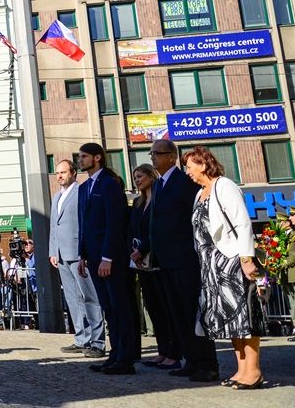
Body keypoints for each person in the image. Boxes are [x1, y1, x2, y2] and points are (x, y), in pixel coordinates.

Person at [182, 146, 264, 389]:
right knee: (229, 320)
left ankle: (254, 370)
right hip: (210, 266)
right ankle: (241, 370)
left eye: (190, 166)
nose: (187, 172)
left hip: (231, 260)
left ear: (203, 164)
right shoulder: (199, 194)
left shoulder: (224, 185)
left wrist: (247, 259)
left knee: (244, 316)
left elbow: (242, 221)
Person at [148, 139, 218, 381]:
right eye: (151, 153)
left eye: (158, 153)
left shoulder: (184, 181)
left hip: (186, 258)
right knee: (177, 313)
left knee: (193, 311)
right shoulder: (158, 185)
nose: (153, 157)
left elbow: (196, 218)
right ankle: (190, 359)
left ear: (171, 156)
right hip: (165, 260)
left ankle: (207, 363)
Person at [77, 142, 134, 375]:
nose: (80, 160)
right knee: (108, 308)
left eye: (84, 156)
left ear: (97, 158)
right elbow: (83, 225)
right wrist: (82, 255)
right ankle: (114, 354)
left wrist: (107, 257)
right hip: (91, 257)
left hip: (110, 258)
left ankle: (126, 358)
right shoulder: (83, 188)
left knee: (120, 307)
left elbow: (114, 223)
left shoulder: (109, 185)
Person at [48, 158, 105, 357]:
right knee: (73, 299)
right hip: (62, 255)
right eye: (57, 173)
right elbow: (54, 225)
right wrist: (52, 251)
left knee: (89, 298)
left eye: (62, 172)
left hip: (78, 253)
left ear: (73, 173)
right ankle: (81, 338)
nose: (59, 176)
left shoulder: (81, 192)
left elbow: (85, 224)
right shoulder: (56, 197)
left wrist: (85, 252)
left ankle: (97, 341)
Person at [129, 164, 178, 370]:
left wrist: (145, 249)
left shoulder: (159, 197)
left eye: (140, 176)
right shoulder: (138, 202)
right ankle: (162, 350)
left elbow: (158, 229)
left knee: (167, 307)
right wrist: (134, 251)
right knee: (153, 307)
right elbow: (133, 229)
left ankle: (174, 353)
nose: (137, 180)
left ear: (150, 175)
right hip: (141, 263)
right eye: (135, 177)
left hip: (158, 259)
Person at [280, 206, 295, 342]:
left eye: (293, 215)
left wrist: (284, 262)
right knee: (294, 304)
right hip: (292, 273)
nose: (290, 218)